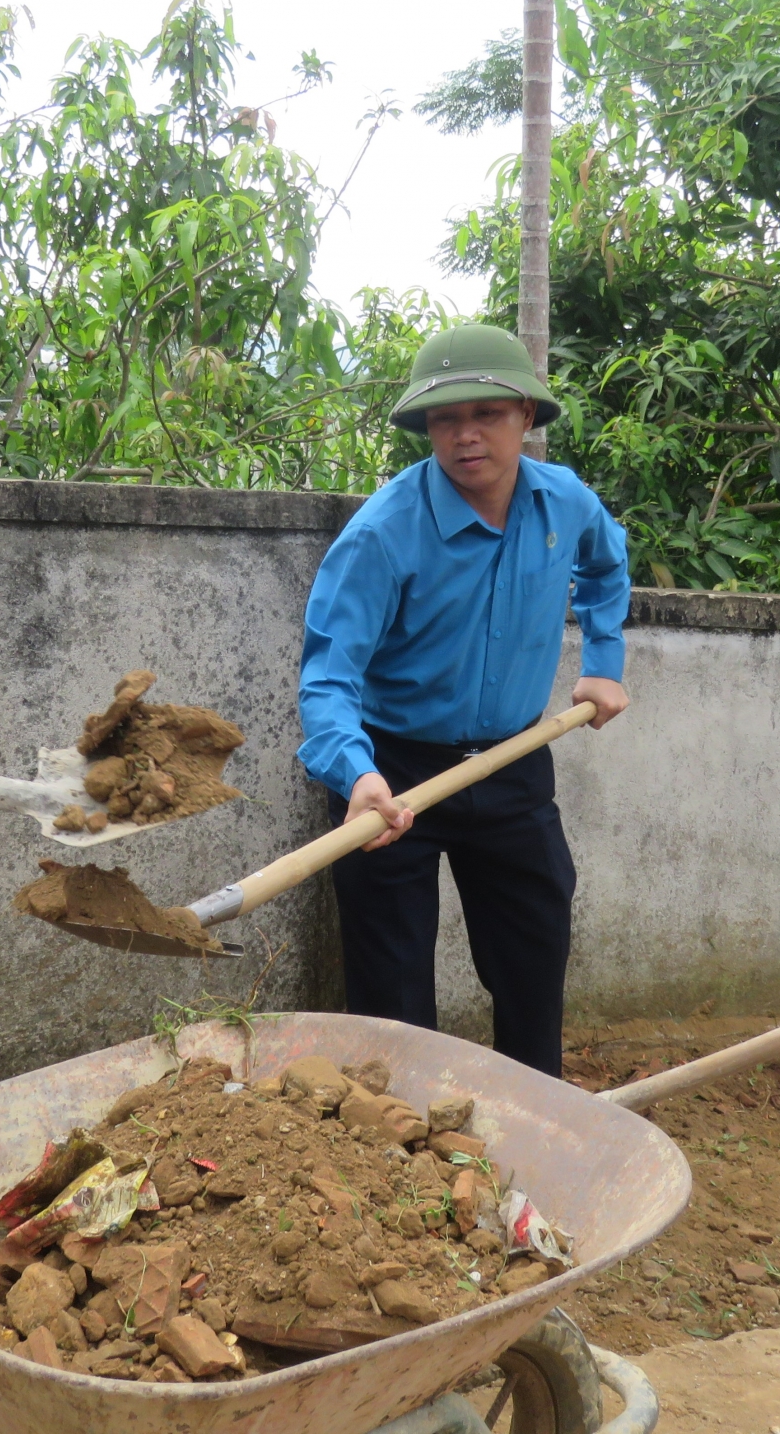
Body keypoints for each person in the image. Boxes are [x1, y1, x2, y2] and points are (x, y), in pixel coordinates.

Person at [297, 323, 630, 1076]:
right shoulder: (383, 533)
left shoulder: (565, 503)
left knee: (533, 953)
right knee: (391, 991)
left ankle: (531, 1106)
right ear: (427, 429)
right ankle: (400, 1124)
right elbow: (328, 677)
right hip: (393, 773)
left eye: (486, 414)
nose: (466, 435)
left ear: (525, 415)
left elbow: (606, 564)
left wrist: (603, 661)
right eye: (446, 418)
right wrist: (356, 775)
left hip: (512, 762)